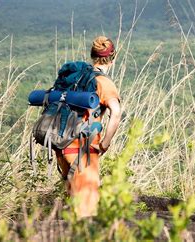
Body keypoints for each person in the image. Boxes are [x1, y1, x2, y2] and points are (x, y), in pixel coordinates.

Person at [55, 36, 122, 218]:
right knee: (87, 212)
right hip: (83, 150)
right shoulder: (104, 83)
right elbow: (116, 113)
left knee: (75, 206)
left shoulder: (79, 77)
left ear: (92, 55)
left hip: (62, 146)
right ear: (113, 58)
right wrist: (105, 144)